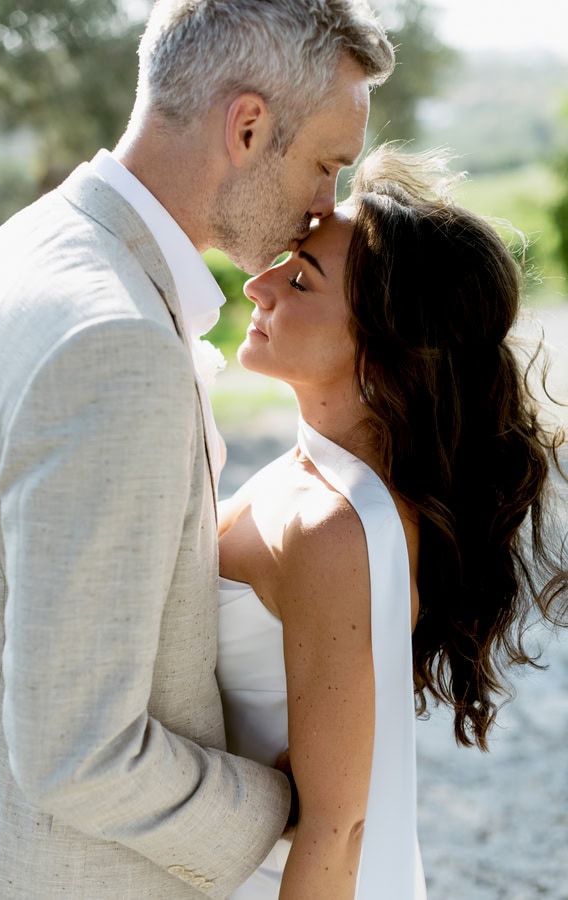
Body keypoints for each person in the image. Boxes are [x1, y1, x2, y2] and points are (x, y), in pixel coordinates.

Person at [0, 2, 395, 897]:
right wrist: (280, 806)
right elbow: (79, 751)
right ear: (246, 127)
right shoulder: (113, 340)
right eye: (325, 165)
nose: (325, 206)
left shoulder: (23, 248)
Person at [216, 145, 568, 899]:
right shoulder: (314, 478)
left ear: (379, 352)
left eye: (301, 278)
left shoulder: (334, 527)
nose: (259, 282)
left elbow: (340, 829)